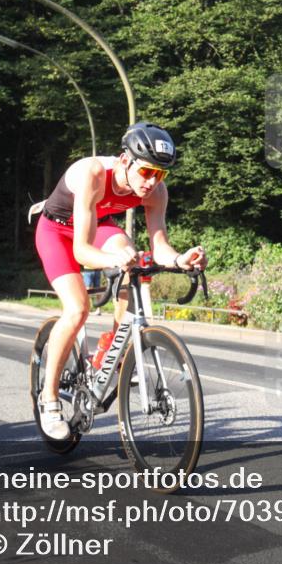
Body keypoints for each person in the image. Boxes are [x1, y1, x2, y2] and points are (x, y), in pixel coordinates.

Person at [33, 122, 207, 439]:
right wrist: (113, 260)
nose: (152, 181)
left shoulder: (156, 192)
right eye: (146, 172)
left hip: (99, 226)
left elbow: (160, 246)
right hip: (57, 231)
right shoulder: (93, 173)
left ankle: (110, 350)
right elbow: (82, 251)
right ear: (125, 160)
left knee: (136, 263)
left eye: (161, 174)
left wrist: (181, 260)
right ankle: (49, 398)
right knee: (77, 309)